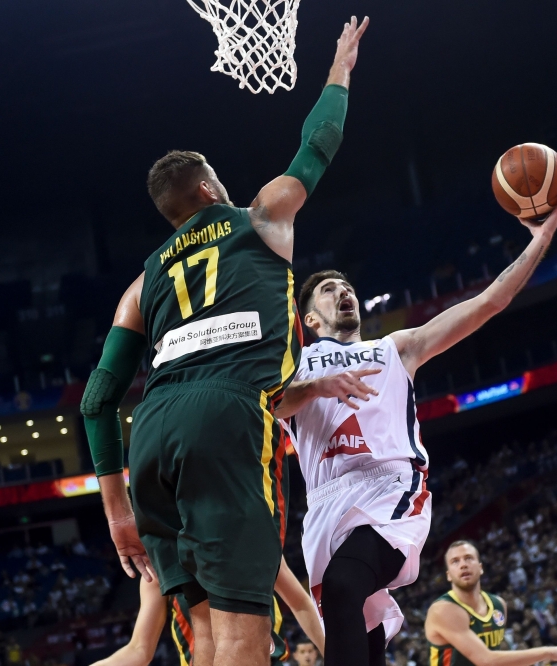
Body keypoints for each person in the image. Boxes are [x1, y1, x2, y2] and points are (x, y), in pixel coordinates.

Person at [79, 15, 369, 666]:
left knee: (204, 634)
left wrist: (117, 511)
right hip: (228, 418)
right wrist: (340, 70)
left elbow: (97, 401)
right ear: (209, 188)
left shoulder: (141, 281)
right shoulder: (260, 218)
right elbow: (317, 144)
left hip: (153, 432)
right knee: (245, 633)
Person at [277, 185, 557, 666]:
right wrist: (315, 388)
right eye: (329, 291)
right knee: (363, 638)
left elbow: (489, 302)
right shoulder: (295, 365)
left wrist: (540, 239)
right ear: (309, 317)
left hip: (388, 485)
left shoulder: (398, 348)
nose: (343, 292)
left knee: (344, 584)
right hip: (324, 504)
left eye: (346, 286)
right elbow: (267, 407)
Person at [90, 557, 323, 666]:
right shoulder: (158, 564)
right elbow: (139, 650)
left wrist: (337, 656)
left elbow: (300, 604)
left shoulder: (251, 535)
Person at [425, 541, 557, 666]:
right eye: (455, 561)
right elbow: (485, 660)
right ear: (448, 575)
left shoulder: (498, 605)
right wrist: (549, 652)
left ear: (480, 568)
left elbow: (497, 658)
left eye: (468, 558)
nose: (463, 565)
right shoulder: (444, 610)